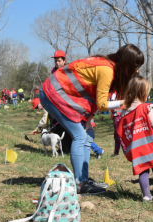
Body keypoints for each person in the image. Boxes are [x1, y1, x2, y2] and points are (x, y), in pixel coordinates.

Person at [39, 44, 144, 194]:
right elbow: (102, 104)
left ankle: (84, 179)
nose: (138, 70)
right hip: (52, 93)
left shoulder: (112, 70)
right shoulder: (107, 70)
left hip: (64, 95)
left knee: (88, 135)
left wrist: (89, 117)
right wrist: (125, 102)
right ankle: (79, 184)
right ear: (127, 63)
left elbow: (96, 94)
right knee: (79, 136)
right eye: (136, 65)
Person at [117, 76, 153, 203]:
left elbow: (122, 130)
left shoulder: (124, 113)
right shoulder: (146, 108)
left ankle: (146, 196)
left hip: (138, 150)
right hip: (152, 147)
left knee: (143, 173)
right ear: (143, 94)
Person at [109, 91, 126, 156]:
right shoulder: (121, 90)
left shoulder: (114, 92)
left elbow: (113, 104)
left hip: (117, 115)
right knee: (116, 136)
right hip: (121, 115)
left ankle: (126, 152)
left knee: (119, 135)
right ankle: (116, 153)